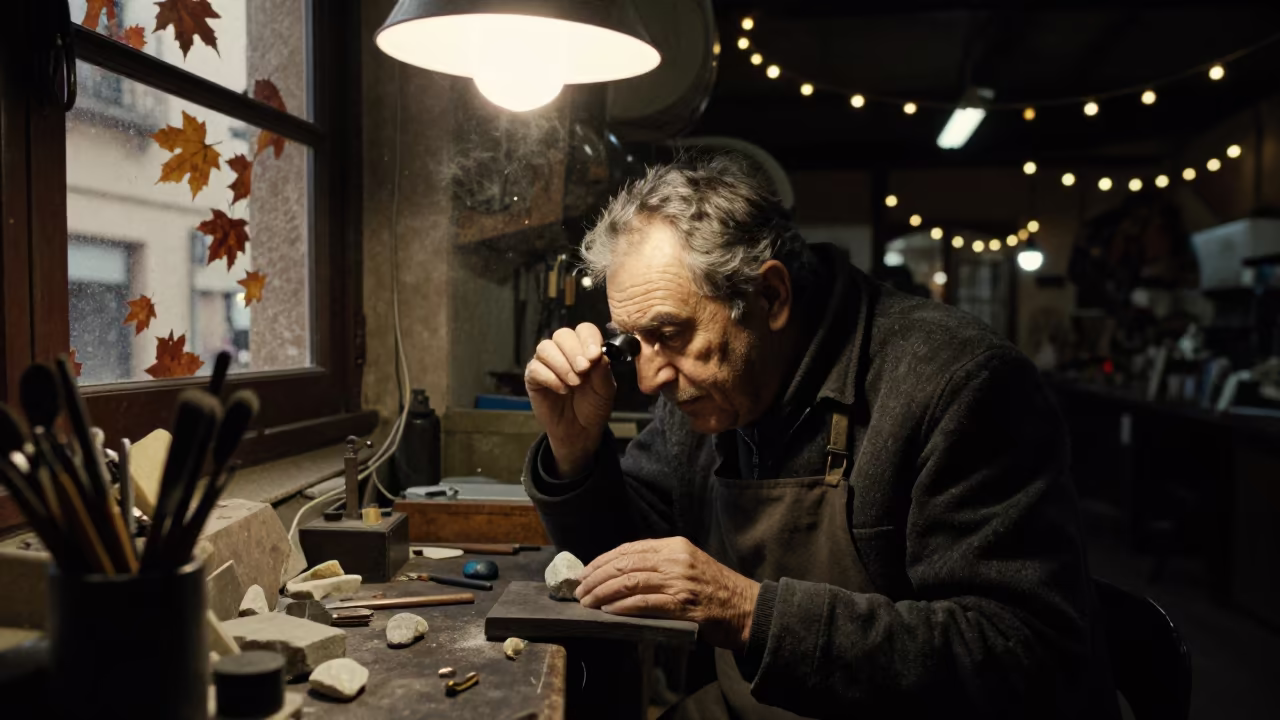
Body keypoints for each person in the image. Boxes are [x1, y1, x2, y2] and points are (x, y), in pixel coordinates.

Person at [521, 153, 1118, 719]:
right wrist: (575, 451)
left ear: (771, 296)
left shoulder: (958, 384)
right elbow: (621, 564)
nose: (650, 379)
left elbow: (1024, 654)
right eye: (634, 342)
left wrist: (750, 614)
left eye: (670, 334)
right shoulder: (707, 388)